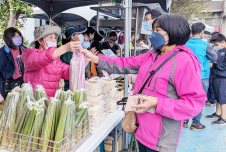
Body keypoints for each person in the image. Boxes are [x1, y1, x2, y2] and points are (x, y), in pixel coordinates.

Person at [81, 14, 206, 152]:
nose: (153, 35)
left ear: (174, 32)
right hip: (140, 130)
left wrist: (157, 103)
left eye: (158, 31)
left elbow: (193, 103)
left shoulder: (184, 61)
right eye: (153, 30)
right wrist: (97, 59)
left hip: (161, 139)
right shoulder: (152, 55)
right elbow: (125, 63)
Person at [22, 25, 81, 98]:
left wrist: (83, 61)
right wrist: (65, 48)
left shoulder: (55, 60)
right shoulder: (31, 55)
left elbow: (70, 72)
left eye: (55, 37)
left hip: (50, 103)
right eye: (50, 37)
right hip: (35, 103)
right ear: (40, 40)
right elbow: (42, 58)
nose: (54, 40)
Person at [184, 22, 218, 130]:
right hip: (202, 76)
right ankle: (196, 123)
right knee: (199, 100)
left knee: (186, 98)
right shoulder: (205, 45)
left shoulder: (185, 44)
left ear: (191, 31)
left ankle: (184, 121)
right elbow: (214, 58)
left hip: (186, 77)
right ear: (202, 31)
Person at [0, 27, 26, 99]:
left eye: (18, 36)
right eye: (14, 37)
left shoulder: (24, 50)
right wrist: (3, 79)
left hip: (24, 84)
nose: (17, 39)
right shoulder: (3, 53)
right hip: (9, 86)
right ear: (8, 39)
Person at [206, 33, 226, 125]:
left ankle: (224, 117)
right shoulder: (220, 50)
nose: (215, 45)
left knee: (222, 97)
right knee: (217, 96)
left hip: (223, 77)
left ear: (223, 42)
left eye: (216, 43)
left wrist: (215, 64)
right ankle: (218, 113)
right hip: (216, 76)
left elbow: (224, 65)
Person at [60, 25, 87, 91]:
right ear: (72, 37)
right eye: (78, 35)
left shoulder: (78, 49)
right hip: (69, 88)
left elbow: (81, 67)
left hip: (78, 85)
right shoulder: (67, 52)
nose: (80, 36)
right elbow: (69, 70)